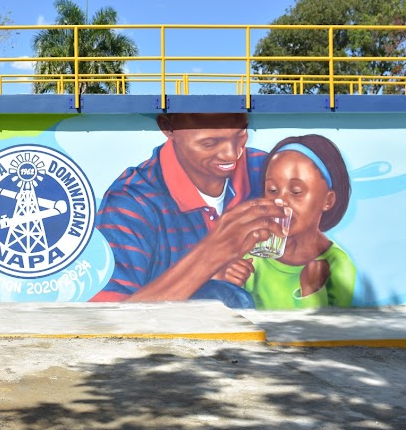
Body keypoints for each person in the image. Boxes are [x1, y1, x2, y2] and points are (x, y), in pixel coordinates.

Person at [92, 112, 289, 304]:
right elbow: (113, 321)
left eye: (240, 134)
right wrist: (210, 256)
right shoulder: (131, 202)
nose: (232, 154)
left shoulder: (266, 170)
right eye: (210, 143)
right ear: (168, 128)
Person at [215, 134, 357, 309]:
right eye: (272, 190)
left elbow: (330, 331)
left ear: (328, 200)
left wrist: (311, 291)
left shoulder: (336, 263)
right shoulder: (255, 255)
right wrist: (228, 282)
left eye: (296, 191)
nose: (280, 201)